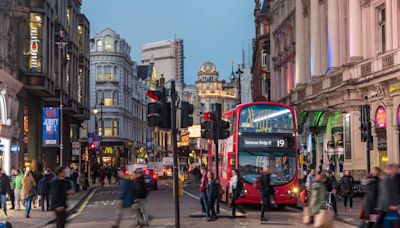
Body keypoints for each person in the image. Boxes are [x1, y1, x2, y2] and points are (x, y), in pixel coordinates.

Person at [374, 163, 400, 228]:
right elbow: (385, 193)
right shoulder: (386, 178)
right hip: (385, 207)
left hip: (387, 207)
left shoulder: (390, 178)